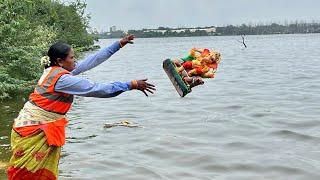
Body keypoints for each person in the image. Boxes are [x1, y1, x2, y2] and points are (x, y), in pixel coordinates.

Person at [7, 34, 156, 179]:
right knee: (27, 174)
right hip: (34, 130)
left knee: (32, 172)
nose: (75, 60)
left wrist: (118, 45)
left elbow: (91, 61)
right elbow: (99, 89)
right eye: (72, 57)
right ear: (60, 61)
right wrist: (130, 85)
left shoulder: (54, 70)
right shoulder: (63, 79)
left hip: (31, 126)